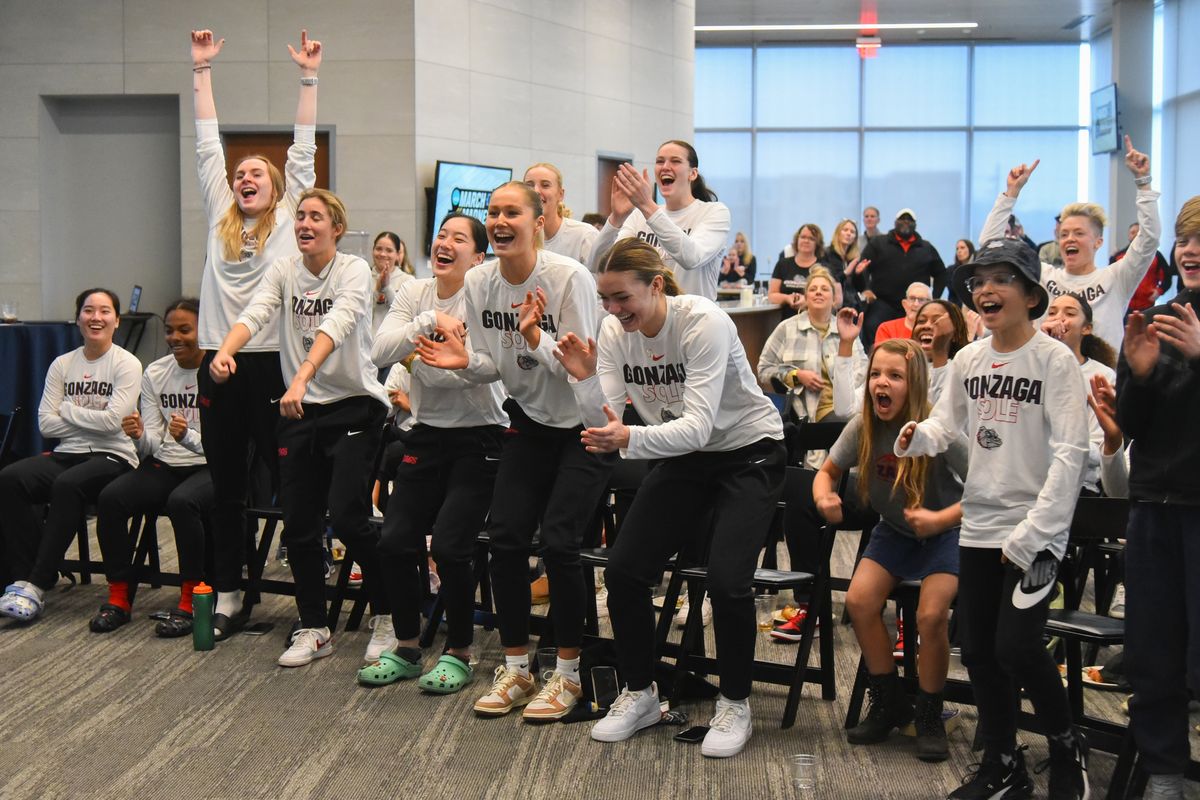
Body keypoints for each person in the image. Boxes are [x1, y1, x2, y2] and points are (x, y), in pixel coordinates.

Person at [553, 238, 786, 758]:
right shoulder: (615, 332)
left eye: (621, 298)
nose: (612, 311)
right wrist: (586, 382)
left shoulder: (702, 322)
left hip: (748, 451)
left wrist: (629, 440)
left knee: (728, 581)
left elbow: (699, 428)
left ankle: (735, 703)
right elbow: (604, 425)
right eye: (604, 300)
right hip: (683, 457)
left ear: (656, 285)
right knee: (623, 571)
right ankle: (640, 694)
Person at [896, 238, 1091, 799]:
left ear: (1032, 295)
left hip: (1037, 533)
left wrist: (1036, 533)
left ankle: (1063, 743)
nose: (986, 289)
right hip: (980, 527)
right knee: (978, 651)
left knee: (1018, 647)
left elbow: (1071, 455)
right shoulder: (968, 359)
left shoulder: (1055, 361)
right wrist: (920, 436)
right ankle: (1003, 762)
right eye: (979, 280)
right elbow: (946, 422)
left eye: (1002, 278)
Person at [416, 181, 612, 721]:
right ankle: (518, 667)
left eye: (512, 212)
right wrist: (462, 364)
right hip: (527, 421)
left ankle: (568, 676)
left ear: (539, 218)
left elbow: (580, 370)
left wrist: (534, 339)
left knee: (558, 542)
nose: (500, 221)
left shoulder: (568, 279)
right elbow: (488, 363)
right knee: (503, 539)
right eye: (493, 213)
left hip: (584, 427)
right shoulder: (480, 281)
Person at [210, 188, 390, 669]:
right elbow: (255, 312)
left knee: (349, 518)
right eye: (301, 217)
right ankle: (314, 626)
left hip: (353, 407)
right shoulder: (284, 270)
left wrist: (303, 375)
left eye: (317, 217)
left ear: (336, 227)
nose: (306, 224)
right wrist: (226, 350)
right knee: (300, 526)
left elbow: (340, 321)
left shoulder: (353, 269)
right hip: (299, 411)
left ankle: (390, 613)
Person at [190, 28, 321, 639]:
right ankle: (231, 593)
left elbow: (301, 152)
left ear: (274, 190)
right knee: (227, 489)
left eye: (256, 175)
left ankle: (309, 601)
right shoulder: (220, 214)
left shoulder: (289, 221)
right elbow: (204, 146)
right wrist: (202, 69)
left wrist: (308, 78)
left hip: (272, 365)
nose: (244, 178)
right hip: (218, 363)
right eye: (239, 173)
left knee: (292, 486)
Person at [362, 212, 508, 694]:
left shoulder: (486, 295)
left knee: (449, 546)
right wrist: (430, 321)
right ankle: (407, 647)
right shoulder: (415, 294)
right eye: (441, 235)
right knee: (395, 541)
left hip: (481, 435)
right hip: (426, 433)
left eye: (458, 238)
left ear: (479, 256)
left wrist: (458, 359)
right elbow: (381, 350)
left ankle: (459, 652)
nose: (445, 243)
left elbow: (495, 368)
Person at [816, 338, 965, 762]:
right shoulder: (864, 424)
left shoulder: (938, 428)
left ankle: (930, 712)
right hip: (896, 531)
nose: (881, 382)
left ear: (914, 384)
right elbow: (827, 472)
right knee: (860, 602)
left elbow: (985, 490)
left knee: (931, 616)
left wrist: (941, 519)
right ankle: (889, 700)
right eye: (876, 374)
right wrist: (824, 496)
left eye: (894, 376)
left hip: (945, 532)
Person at [1116, 196, 1200, 800]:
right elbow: (1134, 427)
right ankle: (1166, 769)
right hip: (1153, 506)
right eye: (1184, 239)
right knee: (1154, 648)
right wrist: (1139, 376)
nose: (1190, 249)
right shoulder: (1157, 319)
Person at [0, 289, 140, 623]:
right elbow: (45, 423)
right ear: (78, 319)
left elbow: (112, 425)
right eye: (88, 311)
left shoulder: (127, 364)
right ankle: (24, 576)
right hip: (67, 452)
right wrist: (85, 417)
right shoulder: (62, 364)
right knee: (10, 479)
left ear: (117, 320)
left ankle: (36, 584)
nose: (96, 318)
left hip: (114, 456)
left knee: (67, 484)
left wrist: (67, 408)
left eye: (105, 311)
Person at [89, 299, 214, 636]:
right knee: (112, 499)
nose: (175, 337)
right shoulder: (156, 371)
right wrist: (141, 435)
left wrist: (188, 437)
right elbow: (153, 447)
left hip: (211, 464)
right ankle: (119, 596)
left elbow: (227, 448)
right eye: (170, 330)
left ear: (207, 329)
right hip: (166, 462)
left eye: (185, 330)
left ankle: (191, 599)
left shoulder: (218, 371)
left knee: (181, 502)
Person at [980, 136, 1159, 349]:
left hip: (1100, 379)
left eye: (1078, 233)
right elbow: (989, 248)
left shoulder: (1116, 278)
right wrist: (1010, 194)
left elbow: (1149, 238)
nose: (1069, 239)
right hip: (1047, 376)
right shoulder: (1042, 276)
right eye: (1064, 234)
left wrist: (1143, 182)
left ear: (1098, 242)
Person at [589, 140, 730, 300]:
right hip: (649, 320)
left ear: (693, 173)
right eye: (660, 161)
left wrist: (647, 205)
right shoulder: (639, 215)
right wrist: (616, 218)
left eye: (675, 161)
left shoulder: (714, 212)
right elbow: (597, 264)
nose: (665, 167)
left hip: (693, 320)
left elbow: (691, 258)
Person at [758, 267, 865, 427]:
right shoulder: (786, 328)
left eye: (824, 289)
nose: (818, 292)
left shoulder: (846, 329)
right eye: (813, 289)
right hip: (810, 412)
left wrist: (843, 391)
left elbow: (863, 370)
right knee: (856, 428)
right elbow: (764, 370)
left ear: (834, 298)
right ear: (806, 297)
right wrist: (796, 375)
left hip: (848, 408)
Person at [1040, 293, 1118, 496]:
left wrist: (1049, 445)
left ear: (1086, 328)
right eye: (1052, 313)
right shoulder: (1030, 367)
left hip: (1079, 486)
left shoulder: (1101, 375)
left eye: (1070, 313)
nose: (1059, 319)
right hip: (1030, 482)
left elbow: (1099, 449)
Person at [856, 209, 946, 347]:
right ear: (895, 223)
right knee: (871, 325)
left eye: (909, 220)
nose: (905, 222)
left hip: (916, 304)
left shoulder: (926, 247)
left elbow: (941, 273)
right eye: (902, 219)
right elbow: (863, 266)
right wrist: (866, 288)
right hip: (883, 302)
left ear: (915, 224)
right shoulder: (878, 243)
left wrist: (934, 298)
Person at [524, 162, 598, 266]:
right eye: (529, 185)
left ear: (560, 194)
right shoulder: (519, 238)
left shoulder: (585, 236)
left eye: (545, 185)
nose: (536, 191)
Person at [910, 299, 971, 403]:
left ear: (955, 334)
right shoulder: (906, 368)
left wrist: (939, 352)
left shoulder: (963, 371)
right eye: (921, 321)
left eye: (936, 321)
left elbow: (940, 413)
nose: (927, 326)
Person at [768, 224, 833, 319]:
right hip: (787, 322)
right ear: (797, 240)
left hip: (816, 321)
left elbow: (836, 300)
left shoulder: (824, 267)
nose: (806, 241)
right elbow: (772, 295)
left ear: (817, 243)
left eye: (811, 238)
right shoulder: (782, 264)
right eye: (803, 237)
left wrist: (807, 302)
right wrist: (787, 298)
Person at [1110, 222, 1174, 314]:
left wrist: (1158, 291)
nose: (1136, 235)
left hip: (1147, 306)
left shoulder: (1155, 256)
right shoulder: (1117, 257)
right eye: (1133, 233)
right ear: (1129, 236)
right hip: (1123, 307)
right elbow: (1111, 280)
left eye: (1139, 233)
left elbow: (1167, 277)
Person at [370, 231, 415, 333]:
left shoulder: (408, 281)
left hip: (394, 342)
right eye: (378, 249)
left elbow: (406, 314)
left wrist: (386, 288)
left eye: (389, 250)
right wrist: (377, 291)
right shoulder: (363, 276)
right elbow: (360, 312)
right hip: (366, 344)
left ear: (397, 255)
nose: (382, 254)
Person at [825, 218, 869, 311]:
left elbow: (860, 288)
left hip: (852, 304)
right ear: (838, 233)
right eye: (845, 230)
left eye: (852, 232)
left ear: (855, 238)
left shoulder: (854, 257)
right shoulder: (827, 254)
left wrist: (858, 274)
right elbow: (829, 281)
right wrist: (845, 273)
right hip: (832, 304)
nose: (849, 233)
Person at [947, 239, 976, 305]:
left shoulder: (976, 269)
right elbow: (952, 293)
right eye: (957, 249)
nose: (959, 251)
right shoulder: (951, 270)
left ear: (970, 250)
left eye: (962, 248)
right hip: (957, 305)